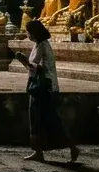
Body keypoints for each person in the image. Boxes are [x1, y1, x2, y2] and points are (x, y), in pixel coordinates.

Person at [17, 19, 80, 162]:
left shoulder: (43, 46)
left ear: (33, 33)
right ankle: (38, 151)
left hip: (45, 87)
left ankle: (72, 147)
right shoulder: (39, 45)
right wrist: (26, 63)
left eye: (28, 32)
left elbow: (38, 67)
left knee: (48, 120)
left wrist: (24, 61)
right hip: (40, 85)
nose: (27, 34)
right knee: (38, 120)